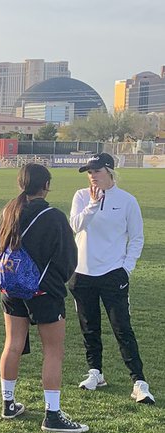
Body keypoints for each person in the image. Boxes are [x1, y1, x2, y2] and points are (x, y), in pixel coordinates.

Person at [0, 162, 88, 433]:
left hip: (10, 290)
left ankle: (8, 404)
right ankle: (52, 414)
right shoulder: (54, 216)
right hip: (45, 292)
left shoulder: (8, 212)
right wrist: (53, 280)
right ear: (45, 185)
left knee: (12, 344)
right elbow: (69, 258)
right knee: (53, 351)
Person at [68, 152, 154, 404]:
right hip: (82, 273)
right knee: (89, 327)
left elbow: (136, 237)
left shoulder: (127, 201)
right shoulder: (81, 196)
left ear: (109, 172)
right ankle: (95, 372)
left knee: (122, 328)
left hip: (113, 274)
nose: (92, 176)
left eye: (96, 171)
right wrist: (93, 204)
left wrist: (125, 268)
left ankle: (139, 381)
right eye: (89, 172)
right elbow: (75, 225)